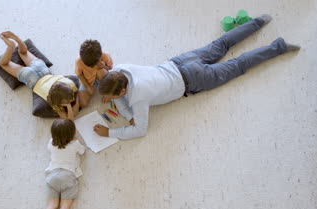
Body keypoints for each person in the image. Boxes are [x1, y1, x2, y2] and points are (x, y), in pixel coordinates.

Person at [93, 15, 300, 139]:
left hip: (194, 80)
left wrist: (110, 132)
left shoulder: (138, 97)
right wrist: (121, 106)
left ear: (122, 91)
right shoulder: (121, 68)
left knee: (237, 65)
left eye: (115, 96)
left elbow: (140, 130)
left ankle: (278, 47)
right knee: (222, 43)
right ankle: (259, 21)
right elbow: (119, 91)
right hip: (181, 61)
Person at [0, 31, 88, 120]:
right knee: (4, 64)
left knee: (23, 53)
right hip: (34, 79)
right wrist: (70, 105)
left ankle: (15, 42)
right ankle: (12, 45)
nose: (72, 98)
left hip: (43, 71)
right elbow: (70, 118)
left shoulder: (69, 84)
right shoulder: (54, 102)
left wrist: (73, 98)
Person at [44, 119, 86, 209]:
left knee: (53, 203)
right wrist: (76, 139)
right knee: (65, 205)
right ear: (72, 134)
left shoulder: (51, 142)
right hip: (68, 175)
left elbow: (50, 149)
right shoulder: (74, 144)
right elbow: (83, 151)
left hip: (53, 175)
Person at [75, 39, 114, 106]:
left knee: (101, 72)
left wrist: (104, 66)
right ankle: (97, 87)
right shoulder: (79, 61)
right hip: (88, 80)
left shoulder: (105, 56)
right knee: (83, 103)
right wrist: (87, 87)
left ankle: (107, 90)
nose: (92, 67)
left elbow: (110, 68)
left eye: (94, 64)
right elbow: (79, 75)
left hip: (101, 75)